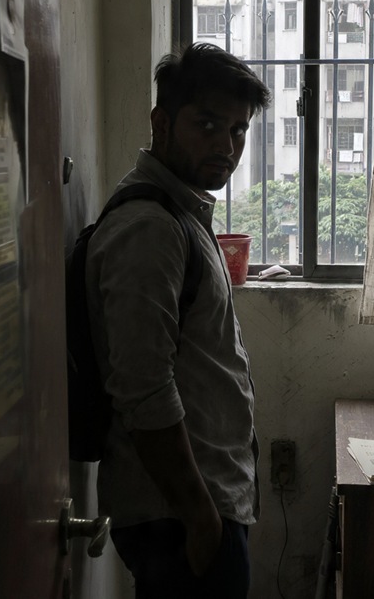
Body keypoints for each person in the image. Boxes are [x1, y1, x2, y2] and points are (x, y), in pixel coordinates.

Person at [85, 42, 271, 598]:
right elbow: (144, 388)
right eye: (208, 124)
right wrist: (201, 519)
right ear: (161, 124)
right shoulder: (151, 228)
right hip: (180, 519)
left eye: (238, 130)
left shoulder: (181, 214)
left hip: (197, 507)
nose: (226, 146)